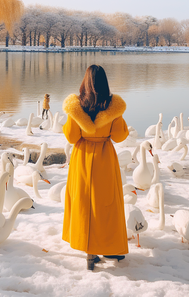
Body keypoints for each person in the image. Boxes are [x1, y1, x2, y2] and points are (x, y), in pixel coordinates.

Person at [62, 64, 129, 271]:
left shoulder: (77, 106)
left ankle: (88, 250)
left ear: (85, 82)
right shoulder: (112, 108)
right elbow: (119, 136)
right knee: (106, 204)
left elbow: (72, 137)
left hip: (82, 157)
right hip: (104, 158)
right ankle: (106, 246)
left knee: (83, 203)